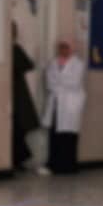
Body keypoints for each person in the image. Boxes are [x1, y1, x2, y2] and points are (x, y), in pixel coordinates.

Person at [42, 40, 86, 174]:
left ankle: (69, 167)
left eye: (66, 48)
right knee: (55, 135)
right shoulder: (53, 63)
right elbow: (49, 83)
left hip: (70, 105)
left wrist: (59, 83)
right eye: (60, 48)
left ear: (71, 49)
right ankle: (53, 166)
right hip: (56, 103)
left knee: (69, 136)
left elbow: (75, 82)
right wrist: (60, 84)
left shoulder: (78, 64)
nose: (63, 50)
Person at [12, 22, 41, 170]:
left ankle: (18, 160)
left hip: (18, 94)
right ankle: (17, 159)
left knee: (19, 127)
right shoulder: (11, 49)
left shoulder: (16, 49)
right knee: (14, 128)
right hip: (12, 94)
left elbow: (29, 65)